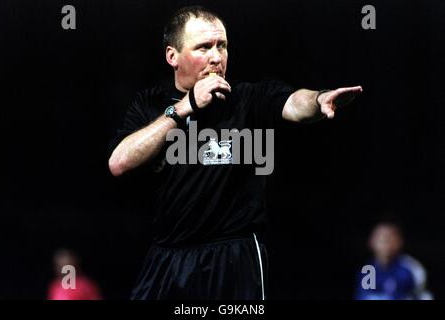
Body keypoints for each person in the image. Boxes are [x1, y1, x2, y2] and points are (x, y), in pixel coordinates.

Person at [108, 5, 363, 300]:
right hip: (168, 256)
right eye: (204, 47)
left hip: (232, 259)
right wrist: (185, 106)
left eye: (222, 46)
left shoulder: (248, 100)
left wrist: (318, 100)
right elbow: (119, 162)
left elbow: (294, 104)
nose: (216, 57)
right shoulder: (150, 104)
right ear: (172, 56)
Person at [355, 221, 433, 300]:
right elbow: (365, 296)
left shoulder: (411, 268)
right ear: (371, 241)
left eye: (390, 237)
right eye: (381, 237)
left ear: (400, 241)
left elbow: (424, 296)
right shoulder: (368, 270)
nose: (385, 241)